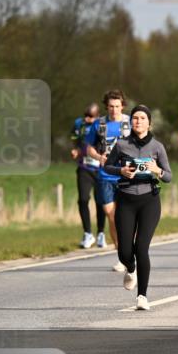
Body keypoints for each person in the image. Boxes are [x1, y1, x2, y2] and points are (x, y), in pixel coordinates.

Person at [102, 105, 172, 310]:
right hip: (125, 199)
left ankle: (142, 296)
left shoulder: (157, 147)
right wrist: (121, 170)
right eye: (135, 118)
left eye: (142, 118)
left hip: (149, 200)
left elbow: (168, 176)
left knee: (142, 247)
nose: (138, 121)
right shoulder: (122, 144)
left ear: (149, 123)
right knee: (124, 251)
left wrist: (157, 169)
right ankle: (130, 267)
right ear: (131, 122)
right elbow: (107, 166)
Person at [85, 89, 132, 272]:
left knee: (127, 216)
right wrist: (99, 157)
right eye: (111, 107)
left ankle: (130, 250)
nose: (114, 110)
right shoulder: (99, 124)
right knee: (112, 215)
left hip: (126, 175)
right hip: (105, 175)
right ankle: (121, 255)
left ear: (123, 106)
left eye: (117, 106)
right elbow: (89, 148)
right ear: (106, 107)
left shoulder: (131, 122)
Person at [71, 103, 105, 249]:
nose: (87, 118)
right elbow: (75, 140)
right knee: (83, 200)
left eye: (90, 116)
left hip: (100, 169)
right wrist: (76, 150)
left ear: (97, 116)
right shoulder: (79, 124)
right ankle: (87, 233)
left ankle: (101, 233)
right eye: (85, 115)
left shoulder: (103, 125)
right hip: (84, 168)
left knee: (100, 202)